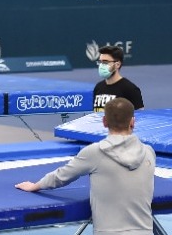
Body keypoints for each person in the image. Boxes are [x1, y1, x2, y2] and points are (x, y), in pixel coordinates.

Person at [15, 98, 155, 235]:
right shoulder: (148, 152)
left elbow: (62, 176)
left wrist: (36, 186)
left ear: (104, 122)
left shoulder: (95, 152)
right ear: (133, 122)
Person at [93, 45, 144, 112]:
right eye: (100, 62)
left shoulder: (130, 89)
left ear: (117, 64)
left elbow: (141, 117)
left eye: (105, 62)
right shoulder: (98, 87)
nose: (101, 65)